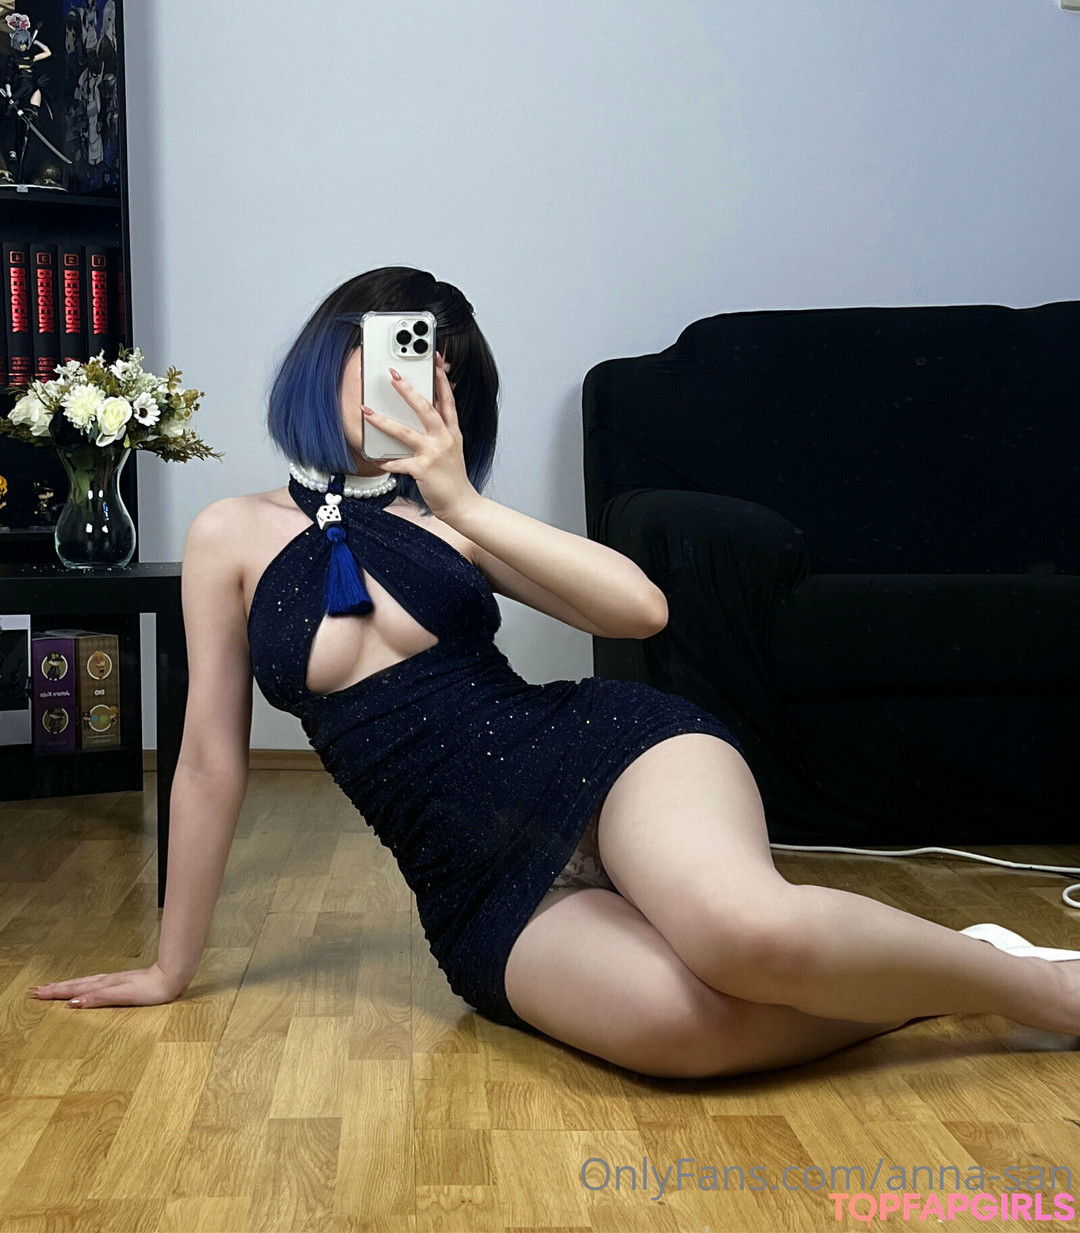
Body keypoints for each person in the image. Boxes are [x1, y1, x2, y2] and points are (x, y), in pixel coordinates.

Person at [30, 268, 1080, 1079]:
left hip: (607, 760)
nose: (407, 380)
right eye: (388, 350)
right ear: (326, 354)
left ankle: (1038, 989)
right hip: (475, 879)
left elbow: (642, 609)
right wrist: (170, 965)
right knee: (686, 1029)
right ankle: (949, 976)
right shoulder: (228, 535)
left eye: (436, 370)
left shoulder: (456, 523)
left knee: (742, 932)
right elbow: (209, 764)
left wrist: (462, 503)